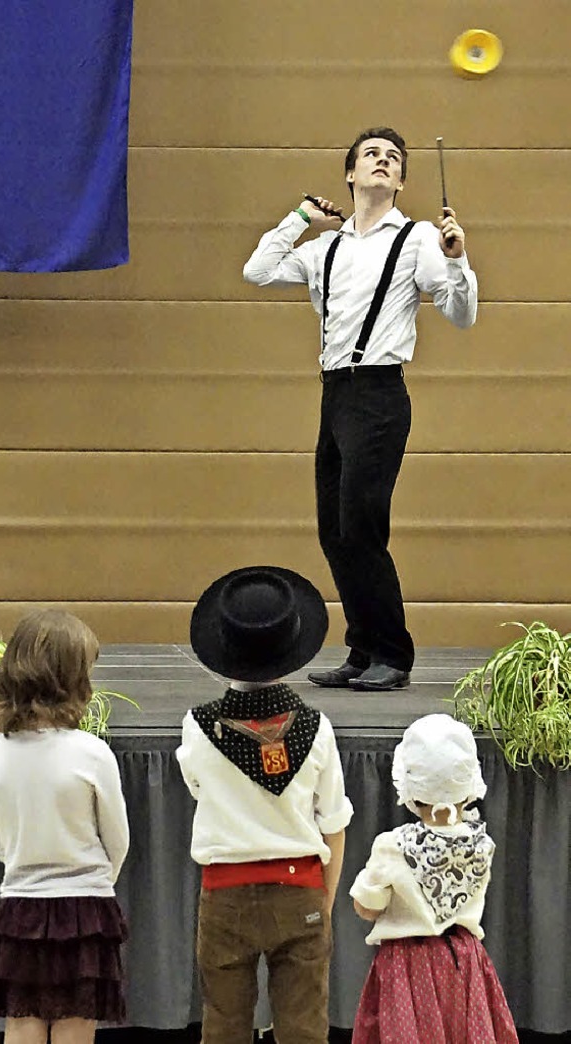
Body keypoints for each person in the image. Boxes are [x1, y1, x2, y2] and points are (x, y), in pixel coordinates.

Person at [243, 127, 478, 691]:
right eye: (371, 154)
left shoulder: (419, 237)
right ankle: (363, 647)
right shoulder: (327, 248)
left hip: (378, 396)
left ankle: (392, 653)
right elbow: (258, 270)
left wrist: (457, 260)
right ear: (350, 174)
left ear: (400, 181)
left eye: (392, 159)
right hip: (335, 395)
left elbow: (461, 314)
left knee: (362, 527)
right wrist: (300, 217)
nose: (382, 161)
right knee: (334, 531)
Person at [177, 565, 354, 1044]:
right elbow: (334, 824)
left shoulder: (197, 728)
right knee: (303, 1029)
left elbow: (198, 790)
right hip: (301, 890)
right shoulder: (317, 728)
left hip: (224, 894)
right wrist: (324, 901)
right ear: (293, 648)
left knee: (224, 1025)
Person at [0, 609, 130, 1044]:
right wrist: (91, 879)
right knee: (75, 1024)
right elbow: (117, 841)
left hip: (19, 903)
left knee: (21, 1020)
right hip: (86, 905)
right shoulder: (92, 753)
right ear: (73, 677)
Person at [349, 713, 519, 1043]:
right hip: (464, 962)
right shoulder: (482, 844)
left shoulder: (392, 846)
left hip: (407, 965)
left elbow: (366, 907)